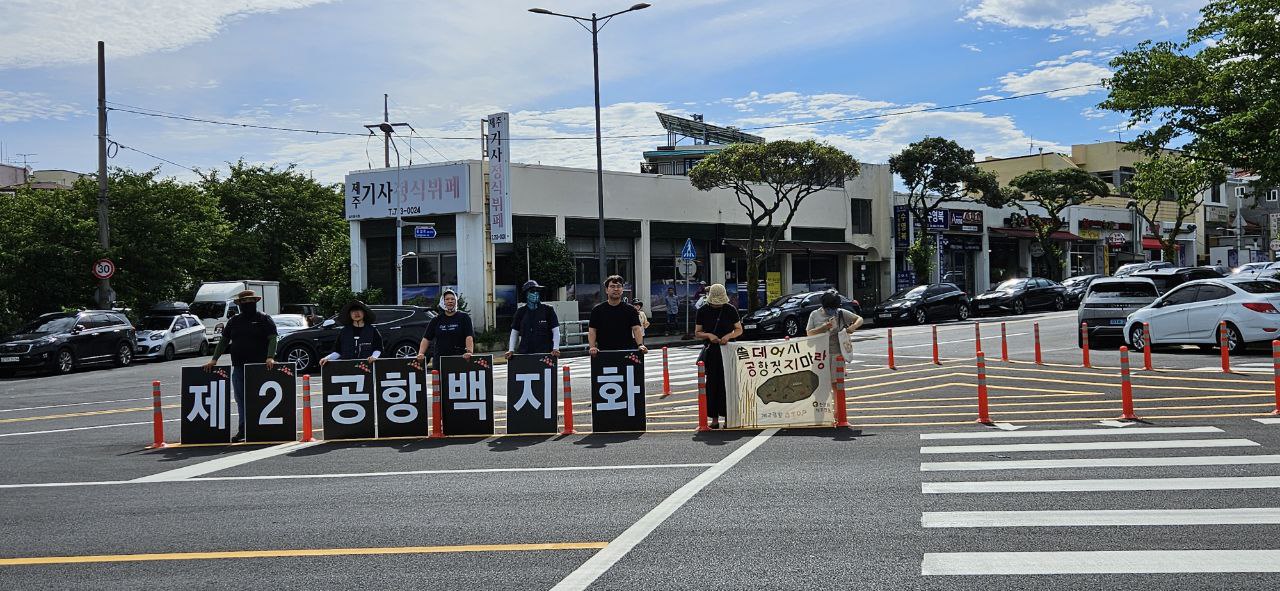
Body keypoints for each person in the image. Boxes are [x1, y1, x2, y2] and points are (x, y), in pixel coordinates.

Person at [202, 289, 277, 442]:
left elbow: (273, 338)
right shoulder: (234, 321)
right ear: (240, 304)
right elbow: (224, 341)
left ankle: (262, 428)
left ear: (255, 302)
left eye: (250, 301)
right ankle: (243, 430)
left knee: (259, 398)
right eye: (244, 301)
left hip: (259, 367)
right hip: (238, 367)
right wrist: (214, 359)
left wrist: (270, 357)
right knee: (241, 399)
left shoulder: (264, 318)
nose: (247, 303)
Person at [694, 284, 743, 429]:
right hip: (712, 351)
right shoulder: (702, 310)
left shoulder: (730, 309)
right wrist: (709, 335)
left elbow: (739, 329)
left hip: (728, 350)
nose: (718, 305)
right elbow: (697, 332)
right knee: (712, 384)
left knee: (728, 384)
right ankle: (714, 419)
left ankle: (729, 418)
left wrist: (728, 336)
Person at [805, 290, 864, 384]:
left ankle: (838, 395)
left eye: (834, 308)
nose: (831, 311)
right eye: (828, 309)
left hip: (837, 354)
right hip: (820, 355)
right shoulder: (815, 315)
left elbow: (859, 319)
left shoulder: (840, 313)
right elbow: (809, 333)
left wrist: (853, 326)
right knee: (820, 383)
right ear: (823, 306)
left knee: (837, 383)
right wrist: (823, 327)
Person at [588, 275, 647, 356]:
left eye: (619, 286)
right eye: (612, 286)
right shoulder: (597, 310)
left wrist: (640, 345)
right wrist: (592, 347)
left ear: (622, 290)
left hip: (627, 352)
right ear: (606, 290)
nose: (616, 289)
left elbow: (636, 329)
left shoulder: (630, 309)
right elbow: (592, 330)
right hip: (603, 352)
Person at [415, 289, 474, 369]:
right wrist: (421, 353)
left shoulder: (464, 317)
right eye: (447, 299)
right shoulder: (436, 319)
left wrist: (469, 352)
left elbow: (469, 336)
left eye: (452, 299)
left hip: (459, 358)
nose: (450, 301)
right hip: (440, 360)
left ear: (456, 301)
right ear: (443, 302)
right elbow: (426, 338)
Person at [505, 280, 561, 359]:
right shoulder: (520, 312)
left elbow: (555, 330)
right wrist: (511, 350)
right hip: (525, 353)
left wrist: (555, 348)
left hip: (545, 354)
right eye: (532, 291)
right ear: (526, 294)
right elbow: (515, 332)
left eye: (537, 291)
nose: (535, 293)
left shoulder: (548, 310)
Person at [318, 300, 383, 367]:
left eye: (359, 310)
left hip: (366, 368)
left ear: (364, 313)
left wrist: (374, 356)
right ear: (350, 315)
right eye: (353, 311)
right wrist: (327, 358)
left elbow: (378, 348)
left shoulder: (372, 330)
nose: (356, 313)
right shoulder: (344, 331)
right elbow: (338, 351)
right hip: (347, 368)